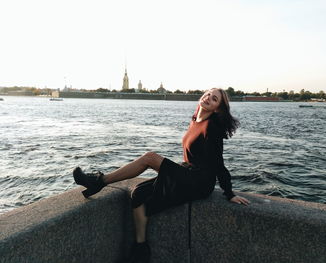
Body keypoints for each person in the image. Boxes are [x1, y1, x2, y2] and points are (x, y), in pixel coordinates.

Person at [73, 88, 250, 263]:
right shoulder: (195, 120)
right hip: (188, 172)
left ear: (217, 108)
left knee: (149, 158)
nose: (208, 98)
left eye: (214, 99)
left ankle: (99, 181)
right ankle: (141, 248)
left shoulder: (211, 127)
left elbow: (218, 163)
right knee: (138, 193)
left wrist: (230, 193)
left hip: (199, 182)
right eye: (207, 95)